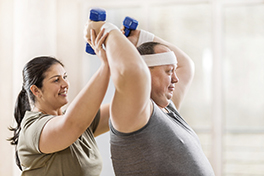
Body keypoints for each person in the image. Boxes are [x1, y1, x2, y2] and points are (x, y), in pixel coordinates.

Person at [85, 18, 215, 176]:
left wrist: (140, 37)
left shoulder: (166, 107)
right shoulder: (136, 113)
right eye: (168, 71)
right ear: (146, 72)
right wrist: (104, 29)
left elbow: (186, 64)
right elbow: (132, 71)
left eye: (174, 70)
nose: (175, 78)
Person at [8, 29, 111, 176]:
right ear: (36, 90)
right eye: (56, 80)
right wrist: (106, 66)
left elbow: (124, 109)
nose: (65, 84)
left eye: (65, 77)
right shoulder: (33, 128)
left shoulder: (77, 121)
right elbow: (72, 124)